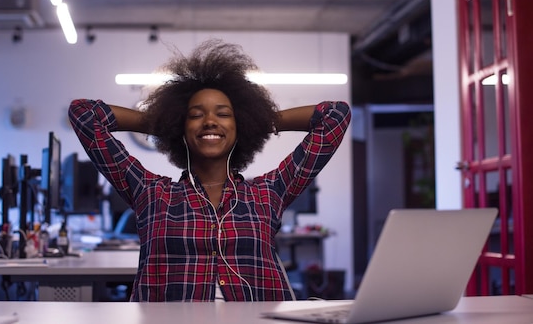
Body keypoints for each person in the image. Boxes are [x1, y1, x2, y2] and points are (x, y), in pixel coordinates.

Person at [68, 40, 351, 302]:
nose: (210, 121)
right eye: (195, 115)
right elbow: (84, 114)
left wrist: (262, 120)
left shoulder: (268, 193)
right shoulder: (151, 193)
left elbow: (335, 116)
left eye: (224, 114)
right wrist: (161, 123)